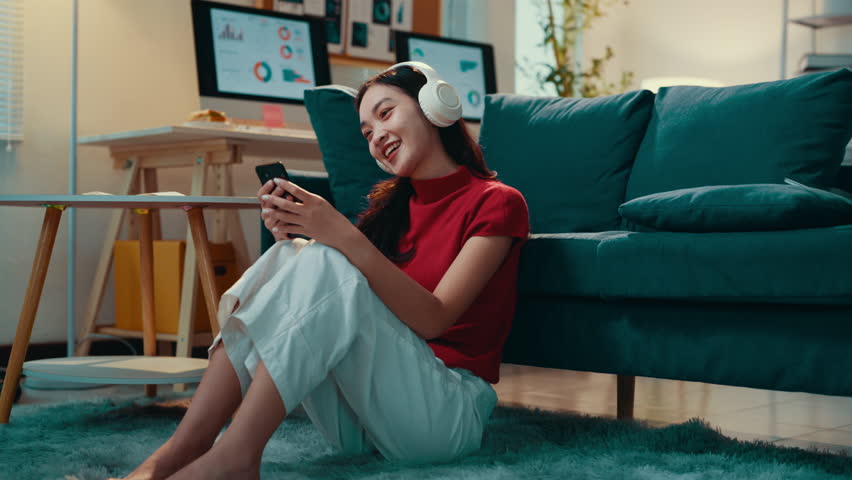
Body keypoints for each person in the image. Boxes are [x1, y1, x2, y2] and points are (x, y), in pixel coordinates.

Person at [112, 63, 529, 480]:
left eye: (385, 114)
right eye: (367, 132)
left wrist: (342, 237)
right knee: (291, 254)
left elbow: (436, 318)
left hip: (443, 417)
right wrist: (293, 240)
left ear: (433, 106)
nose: (377, 136)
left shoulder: (498, 202)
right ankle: (181, 450)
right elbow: (328, 311)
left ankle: (235, 456)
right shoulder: (388, 215)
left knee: (324, 257)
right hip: (363, 424)